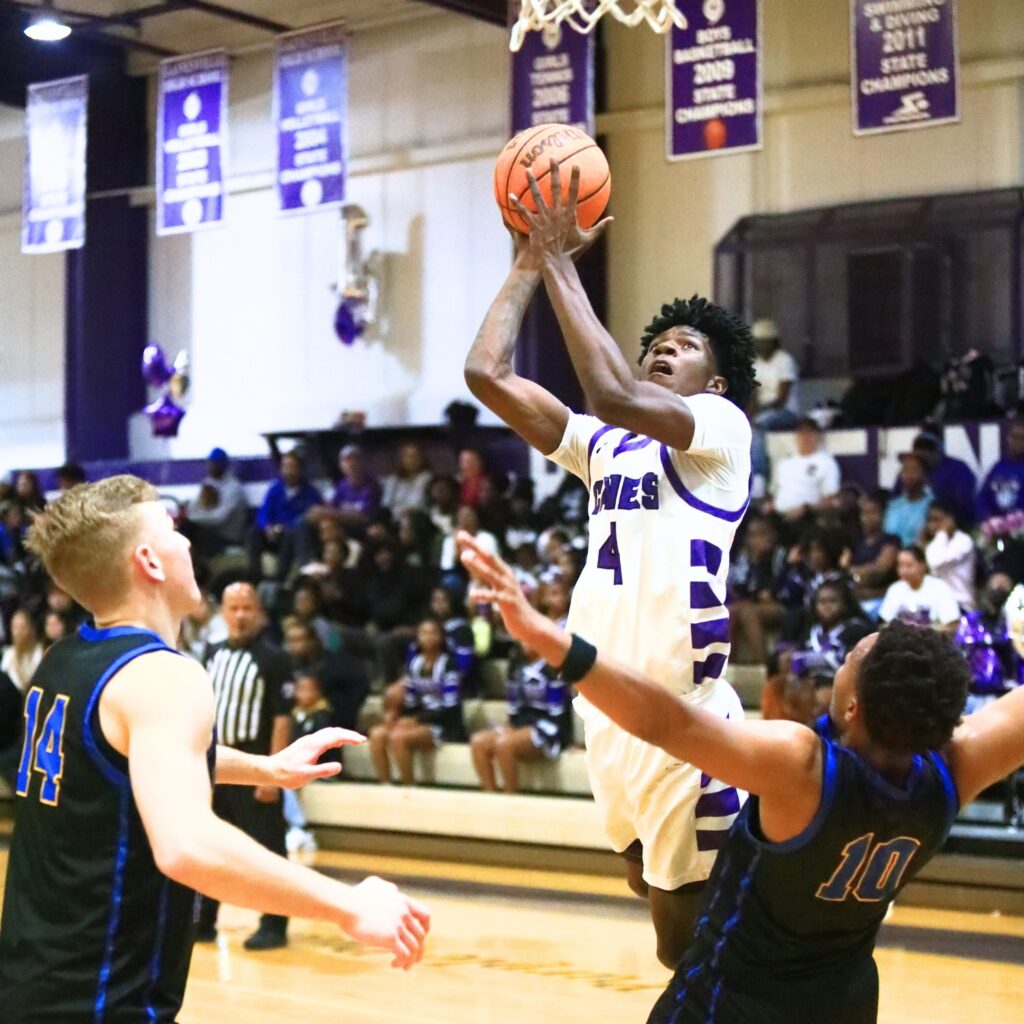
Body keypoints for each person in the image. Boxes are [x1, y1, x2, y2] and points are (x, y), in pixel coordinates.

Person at [459, 530, 1024, 1024]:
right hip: (844, 1003)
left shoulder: (804, 768)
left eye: (850, 657)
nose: (842, 658)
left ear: (853, 707)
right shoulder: (955, 771)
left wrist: (544, 635)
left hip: (732, 999)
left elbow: (668, 721)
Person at [465, 161, 758, 967]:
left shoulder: (721, 430)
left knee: (686, 946)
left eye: (684, 346)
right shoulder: (607, 450)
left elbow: (614, 392)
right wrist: (527, 264)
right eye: (656, 344)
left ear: (717, 378)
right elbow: (485, 374)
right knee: (649, 893)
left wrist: (563, 258)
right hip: (606, 707)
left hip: (681, 714)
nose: (665, 352)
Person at [0, 476, 429, 1024]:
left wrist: (266, 768)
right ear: (150, 562)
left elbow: (129, 759)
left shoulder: (65, 658)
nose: (188, 544)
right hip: (101, 1001)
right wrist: (349, 905)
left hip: (28, 986)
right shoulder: (163, 676)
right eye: (174, 530)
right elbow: (186, 847)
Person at [369, 617, 467, 785]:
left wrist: (416, 720)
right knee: (377, 734)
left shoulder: (449, 664)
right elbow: (411, 701)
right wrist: (396, 713)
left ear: (441, 637)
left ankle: (408, 787)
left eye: (433, 633)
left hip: (444, 724)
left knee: (399, 738)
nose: (428, 637)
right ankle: (384, 785)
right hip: (420, 719)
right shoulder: (415, 663)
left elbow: (450, 707)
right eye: (424, 633)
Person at [470, 641, 572, 793]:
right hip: (520, 726)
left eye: (529, 638)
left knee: (504, 744)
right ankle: (490, 795)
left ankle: (510, 798)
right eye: (522, 639)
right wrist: (511, 726)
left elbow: (558, 713)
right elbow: (514, 708)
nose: (525, 643)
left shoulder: (552, 668)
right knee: (478, 742)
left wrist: (522, 730)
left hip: (548, 729)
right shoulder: (516, 667)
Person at [248, 451, 322, 582]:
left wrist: (283, 527)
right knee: (254, 532)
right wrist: (268, 527)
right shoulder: (275, 489)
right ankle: (255, 576)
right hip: (273, 534)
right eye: (285, 466)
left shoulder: (310, 492)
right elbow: (263, 512)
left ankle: (280, 578)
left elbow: (307, 519)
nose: (288, 471)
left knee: (290, 534)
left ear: (300, 469)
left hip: (292, 536)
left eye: (292, 467)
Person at [183, 447, 250, 554]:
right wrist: (193, 517)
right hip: (210, 531)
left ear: (222, 465)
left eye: (213, 464)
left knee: (190, 528)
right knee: (184, 528)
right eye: (209, 463)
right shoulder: (209, 482)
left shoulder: (233, 488)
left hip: (227, 537)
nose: (209, 467)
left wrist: (194, 518)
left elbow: (218, 518)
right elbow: (193, 507)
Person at [879, 546, 960, 634]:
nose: (904, 571)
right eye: (900, 566)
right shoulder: (895, 589)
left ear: (922, 565)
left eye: (909, 566)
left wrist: (923, 631)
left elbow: (952, 626)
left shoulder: (939, 587)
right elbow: (885, 623)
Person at [770, 418, 841, 519]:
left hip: (807, 517)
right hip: (778, 517)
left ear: (818, 436)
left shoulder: (827, 463)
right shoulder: (784, 463)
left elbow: (830, 500)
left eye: (809, 433)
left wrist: (805, 509)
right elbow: (774, 493)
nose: (805, 437)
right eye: (801, 433)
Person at [909, 428, 977, 529]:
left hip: (954, 526)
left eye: (928, 451)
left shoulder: (958, 469)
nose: (924, 457)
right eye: (919, 454)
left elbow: (964, 504)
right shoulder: (910, 470)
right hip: (914, 527)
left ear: (938, 452)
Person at [849, 492, 900, 612]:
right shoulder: (856, 542)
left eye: (873, 512)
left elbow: (880, 570)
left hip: (882, 600)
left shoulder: (891, 541)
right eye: (864, 513)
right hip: (859, 600)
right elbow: (845, 569)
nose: (868, 518)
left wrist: (856, 574)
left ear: (882, 515)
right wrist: (860, 575)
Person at [921, 500, 976, 611]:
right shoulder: (933, 544)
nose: (932, 525)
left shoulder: (964, 540)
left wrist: (943, 533)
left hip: (961, 604)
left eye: (937, 520)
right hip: (938, 604)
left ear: (950, 519)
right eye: (929, 520)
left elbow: (936, 562)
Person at [977, 417, 1024, 522]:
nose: (1017, 442)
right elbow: (983, 497)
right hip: (998, 529)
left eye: (1021, 438)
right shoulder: (998, 467)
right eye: (1014, 437)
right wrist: (988, 519)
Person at [883, 452, 933, 547]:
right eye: (905, 470)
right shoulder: (893, 506)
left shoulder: (933, 506)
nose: (908, 475)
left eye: (914, 470)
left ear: (925, 476)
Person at [382, 442, 433, 517]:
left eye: (415, 456)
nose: (412, 460)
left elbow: (423, 505)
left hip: (417, 518)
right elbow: (386, 504)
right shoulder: (393, 480)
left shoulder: (428, 479)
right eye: (408, 456)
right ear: (401, 459)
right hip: (394, 518)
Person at [1, 608, 44, 690]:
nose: (18, 632)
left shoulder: (40, 651)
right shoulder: (9, 654)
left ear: (31, 629)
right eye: (15, 627)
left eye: (23, 627)